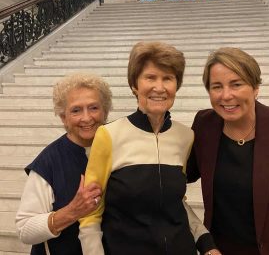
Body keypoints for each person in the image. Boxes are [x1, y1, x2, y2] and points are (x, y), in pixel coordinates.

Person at [78, 41, 221, 255]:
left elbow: (177, 203)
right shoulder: (108, 135)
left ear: (176, 85)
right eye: (150, 77)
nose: (159, 87)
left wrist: (206, 243)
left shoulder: (186, 136)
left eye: (168, 78)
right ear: (135, 84)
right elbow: (90, 213)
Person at [187, 47, 269, 255]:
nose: (226, 95)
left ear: (255, 87)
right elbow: (178, 174)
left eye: (236, 84)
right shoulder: (204, 125)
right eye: (216, 86)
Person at [15, 73, 112, 255]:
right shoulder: (49, 161)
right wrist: (72, 211)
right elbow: (24, 229)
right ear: (63, 117)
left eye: (93, 108)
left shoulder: (119, 146)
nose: (86, 118)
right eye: (76, 110)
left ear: (105, 111)